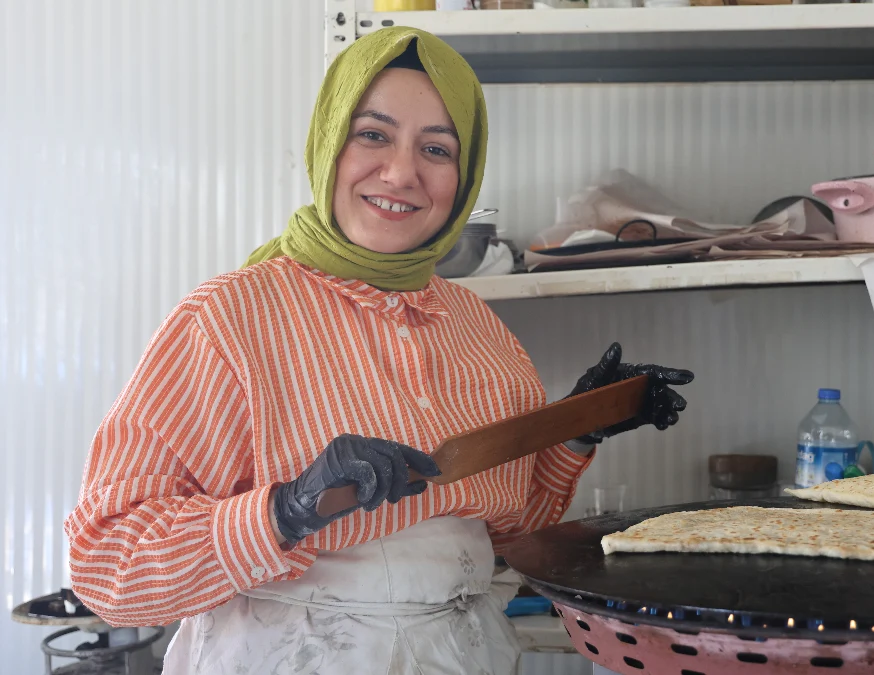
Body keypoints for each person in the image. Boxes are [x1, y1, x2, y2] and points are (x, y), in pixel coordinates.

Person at [64, 27, 692, 674]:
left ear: (465, 174)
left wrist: (579, 428)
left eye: (437, 148)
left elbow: (514, 524)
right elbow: (108, 564)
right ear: (330, 141)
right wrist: (283, 510)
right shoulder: (228, 319)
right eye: (373, 134)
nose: (401, 171)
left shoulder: (479, 329)